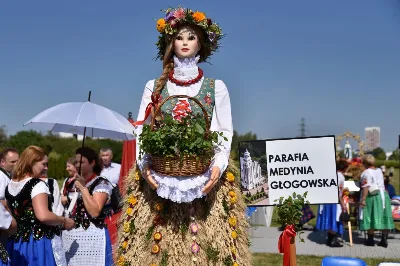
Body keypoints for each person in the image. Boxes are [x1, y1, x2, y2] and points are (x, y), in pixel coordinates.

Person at [117, 7, 251, 265]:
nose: (185, 42)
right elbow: (143, 128)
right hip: (158, 175)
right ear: (171, 42)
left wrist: (218, 165)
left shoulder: (216, 87)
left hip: (206, 176)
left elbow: (223, 130)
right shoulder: (153, 86)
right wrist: (144, 164)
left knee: (206, 249)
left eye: (191, 37)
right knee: (154, 247)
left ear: (201, 43)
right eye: (180, 37)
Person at [5, 145, 75, 266]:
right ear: (32, 162)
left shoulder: (11, 184)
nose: (46, 168)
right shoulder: (37, 185)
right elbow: (43, 216)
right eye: (44, 164)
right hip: (38, 243)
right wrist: (64, 221)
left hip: (17, 242)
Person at [62, 147, 114, 266]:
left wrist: (83, 188)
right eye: (76, 162)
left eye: (82, 162)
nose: (78, 165)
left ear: (92, 163)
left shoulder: (101, 182)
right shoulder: (70, 182)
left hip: (93, 238)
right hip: (72, 238)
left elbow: (95, 211)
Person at [359, 155, 394, 247]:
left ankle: (370, 240)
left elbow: (366, 186)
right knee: (384, 216)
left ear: (365, 163)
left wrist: (363, 199)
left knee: (371, 215)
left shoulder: (366, 173)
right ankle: (384, 239)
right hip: (383, 195)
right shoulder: (379, 171)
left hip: (372, 196)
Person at [316, 159, 348, 247]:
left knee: (329, 218)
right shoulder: (340, 176)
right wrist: (342, 203)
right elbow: (337, 191)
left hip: (326, 199)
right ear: (344, 168)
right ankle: (333, 240)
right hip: (334, 200)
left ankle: (329, 239)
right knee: (334, 219)